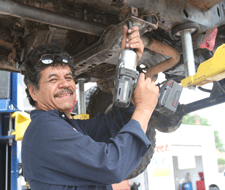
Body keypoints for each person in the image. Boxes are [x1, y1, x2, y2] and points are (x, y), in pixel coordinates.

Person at [22, 25, 159, 190]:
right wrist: (144, 109)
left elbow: (113, 125)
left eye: (68, 77)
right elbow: (112, 166)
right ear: (33, 92)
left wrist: (128, 62)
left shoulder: (66, 125)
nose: (64, 84)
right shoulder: (44, 129)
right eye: (53, 79)